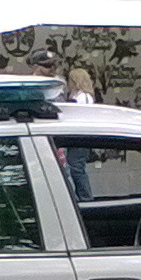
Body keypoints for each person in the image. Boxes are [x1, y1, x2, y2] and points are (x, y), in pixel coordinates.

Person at [62, 68, 96, 200]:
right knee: (75, 166)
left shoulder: (83, 97)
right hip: (76, 137)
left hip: (80, 137)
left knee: (77, 167)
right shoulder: (79, 96)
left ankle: (86, 197)